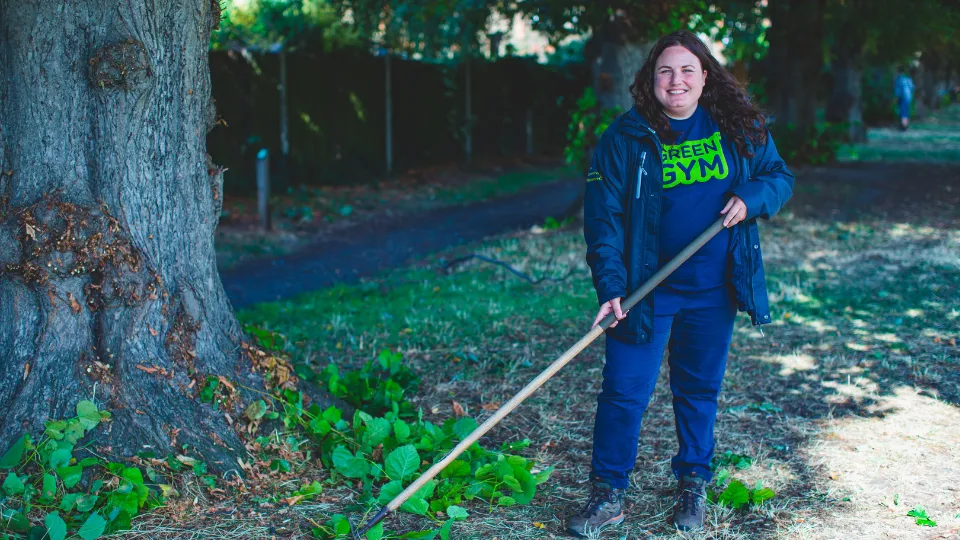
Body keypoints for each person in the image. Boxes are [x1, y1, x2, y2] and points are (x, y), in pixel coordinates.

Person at [568, 30, 794, 536]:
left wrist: (751, 198)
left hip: (714, 291)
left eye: (688, 70)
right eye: (666, 71)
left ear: (705, 76)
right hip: (646, 292)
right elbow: (602, 220)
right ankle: (609, 495)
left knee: (697, 390)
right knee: (624, 391)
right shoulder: (626, 138)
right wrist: (610, 286)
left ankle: (693, 483)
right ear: (652, 80)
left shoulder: (738, 128)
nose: (677, 80)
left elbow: (779, 177)